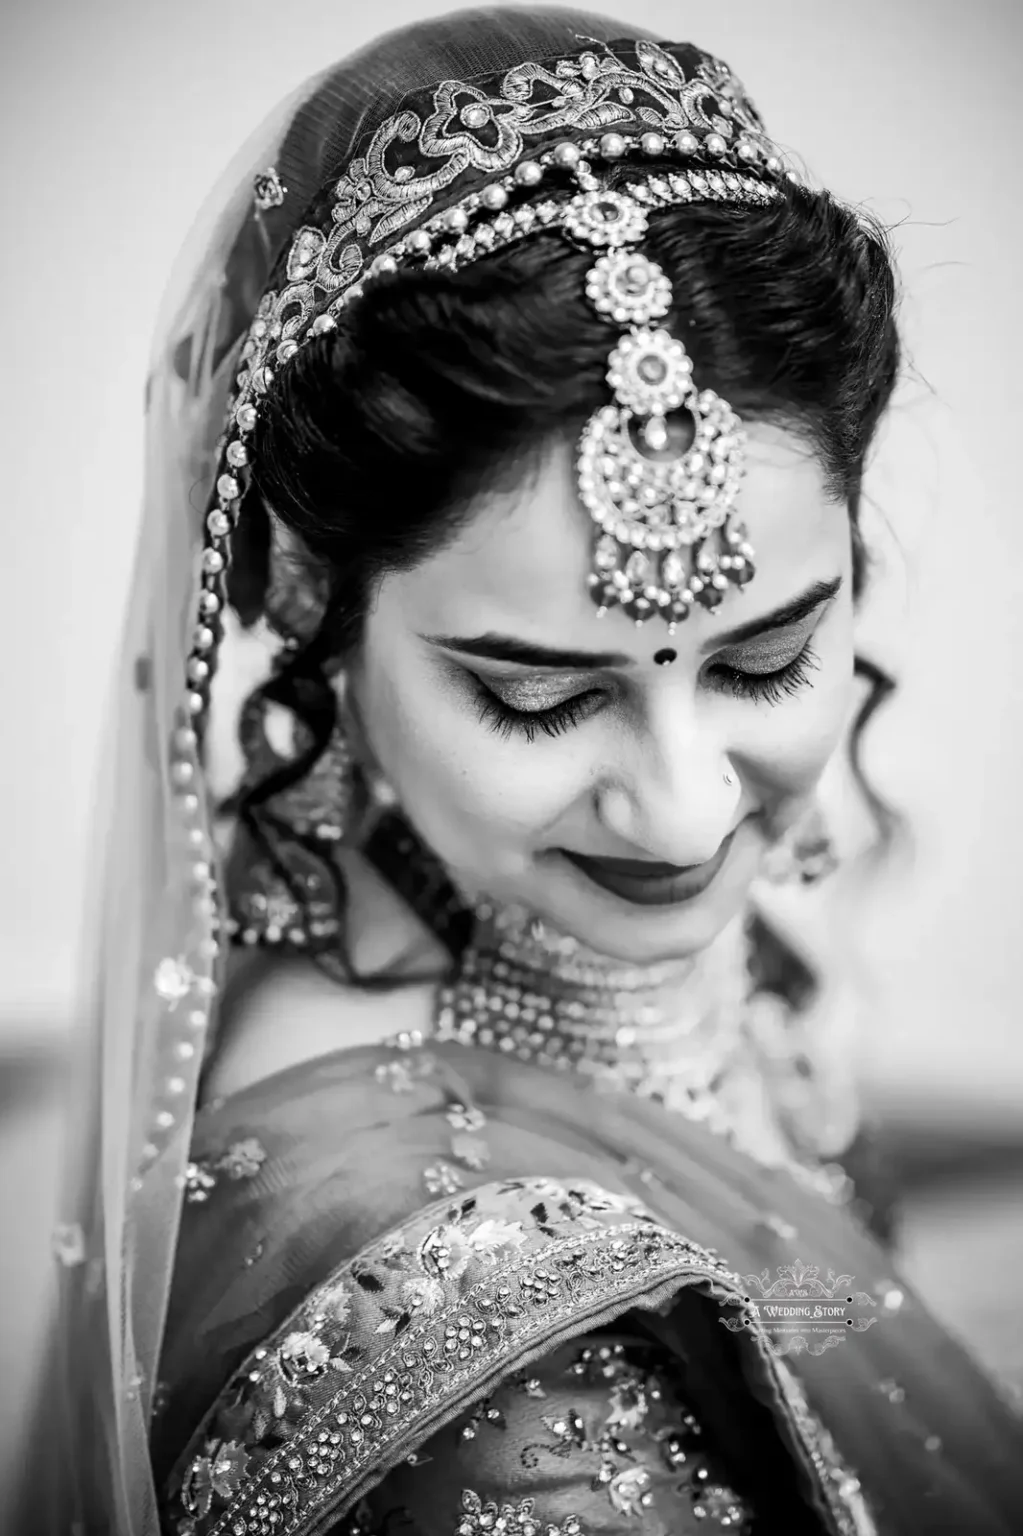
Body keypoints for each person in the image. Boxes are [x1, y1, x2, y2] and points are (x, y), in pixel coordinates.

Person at [46, 7, 1023, 1535]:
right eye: (541, 697)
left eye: (764, 662)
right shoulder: (430, 1282)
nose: (689, 804)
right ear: (313, 602)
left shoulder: (584, 911)